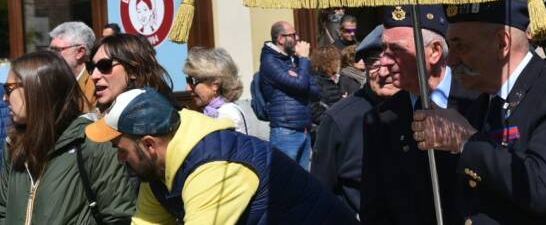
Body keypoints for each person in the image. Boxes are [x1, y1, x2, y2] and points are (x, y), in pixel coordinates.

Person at [411, 0, 546, 224]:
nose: (451, 61)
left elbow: (541, 189)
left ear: (502, 42)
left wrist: (466, 141)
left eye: (461, 46)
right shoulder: (481, 102)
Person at [86, 88, 353, 223]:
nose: (119, 159)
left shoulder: (212, 168)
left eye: (121, 150)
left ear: (148, 144)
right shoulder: (157, 171)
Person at [360, 4, 477, 224]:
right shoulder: (380, 119)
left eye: (397, 50)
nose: (383, 61)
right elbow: (374, 209)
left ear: (434, 51)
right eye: (384, 49)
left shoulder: (480, 101)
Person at [0, 51, 136, 224]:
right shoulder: (13, 145)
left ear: (37, 89)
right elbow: (3, 211)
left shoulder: (92, 142)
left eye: (9, 88)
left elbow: (119, 217)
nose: (4, 98)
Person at [311, 25, 399, 218]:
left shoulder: (423, 109)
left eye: (392, 63)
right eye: (374, 63)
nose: (384, 73)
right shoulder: (340, 119)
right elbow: (320, 191)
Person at [259, 20, 319, 169]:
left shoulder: (294, 59)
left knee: (303, 183)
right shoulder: (270, 61)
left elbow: (316, 90)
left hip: (304, 129)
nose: (297, 38)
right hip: (285, 131)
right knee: (284, 181)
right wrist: (304, 59)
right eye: (292, 35)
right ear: (280, 39)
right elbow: (301, 84)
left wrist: (299, 75)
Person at [91, 33, 174, 112]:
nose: (93, 76)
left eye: (104, 65)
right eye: (90, 67)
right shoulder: (88, 124)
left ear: (133, 70)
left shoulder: (175, 120)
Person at [183, 46, 250, 134]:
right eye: (188, 80)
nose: (187, 88)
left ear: (215, 85)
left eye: (193, 81)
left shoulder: (227, 115)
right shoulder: (212, 111)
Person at [48, 20, 97, 112]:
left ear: (80, 52)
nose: (51, 55)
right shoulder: (48, 82)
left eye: (57, 50)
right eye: (51, 50)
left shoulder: (96, 86)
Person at [310, 45, 342, 142]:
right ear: (328, 63)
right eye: (337, 60)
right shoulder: (318, 82)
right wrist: (332, 121)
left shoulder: (329, 80)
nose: (339, 63)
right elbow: (314, 110)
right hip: (325, 132)